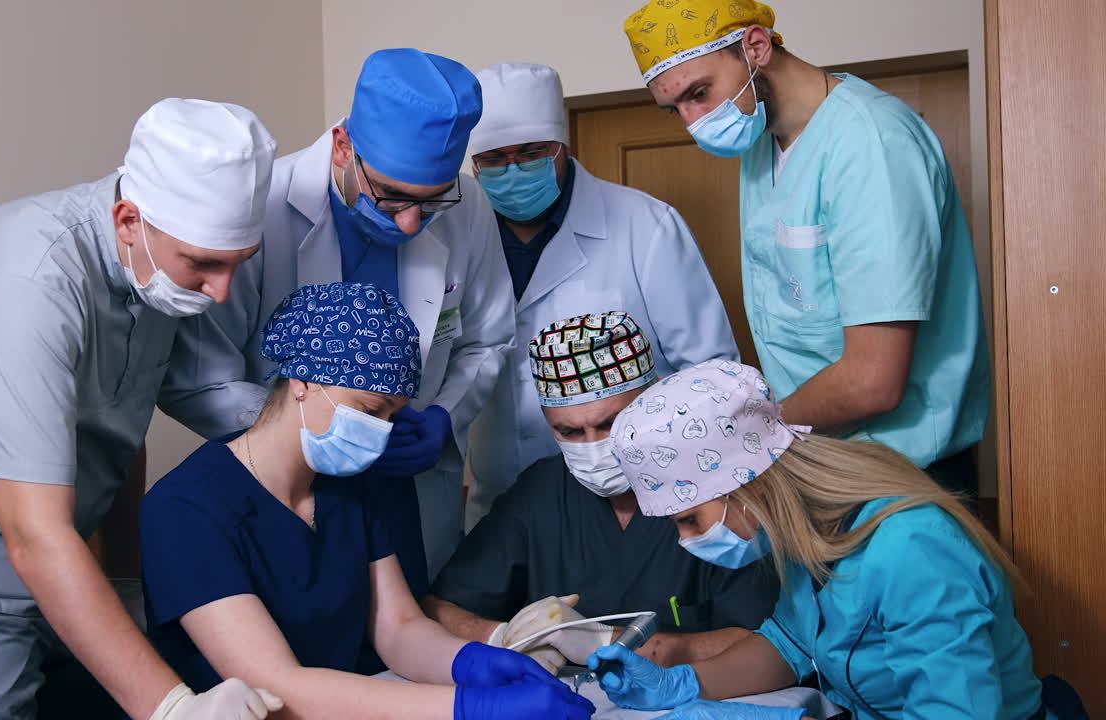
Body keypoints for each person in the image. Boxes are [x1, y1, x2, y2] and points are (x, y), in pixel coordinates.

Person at [0, 99, 282, 719]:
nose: (222, 292)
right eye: (204, 264)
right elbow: (33, 536)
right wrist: (172, 709)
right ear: (129, 219)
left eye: (237, 264)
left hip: (52, 555)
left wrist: (126, 581)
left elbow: (117, 431)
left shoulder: (150, 270)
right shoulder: (23, 288)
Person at [139, 282, 594, 720]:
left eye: (393, 414)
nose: (381, 431)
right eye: (371, 410)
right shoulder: (185, 509)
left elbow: (399, 629)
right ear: (302, 380)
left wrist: (476, 663)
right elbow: (278, 685)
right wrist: (471, 709)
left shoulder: (352, 484)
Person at [160, 48, 515, 583]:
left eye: (432, 201)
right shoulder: (263, 208)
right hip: (286, 487)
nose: (412, 223)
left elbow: (487, 339)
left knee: (410, 612)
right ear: (343, 146)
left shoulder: (469, 208)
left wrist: (444, 417)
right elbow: (198, 378)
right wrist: (318, 430)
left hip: (412, 487)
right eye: (392, 196)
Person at [621, 0, 991, 494]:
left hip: (898, 474)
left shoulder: (871, 143)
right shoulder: (762, 144)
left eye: (700, 93)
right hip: (819, 455)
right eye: (676, 109)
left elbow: (873, 381)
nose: (693, 121)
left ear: (756, 47)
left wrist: (751, 439)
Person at [585, 361, 1045, 719]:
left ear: (747, 485)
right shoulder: (810, 534)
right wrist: (681, 683)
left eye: (688, 519)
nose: (686, 539)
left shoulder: (912, 550)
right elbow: (790, 646)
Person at [464, 62, 738, 526]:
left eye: (531, 152)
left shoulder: (645, 226)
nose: (512, 170)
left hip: (638, 494)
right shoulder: (462, 238)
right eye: (493, 158)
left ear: (562, 146)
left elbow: (710, 374)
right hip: (502, 498)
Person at [426, 312, 776, 674]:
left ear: (654, 397)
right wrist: (502, 639)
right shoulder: (540, 494)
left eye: (610, 423)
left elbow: (775, 643)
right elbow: (441, 608)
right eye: (570, 432)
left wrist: (615, 642)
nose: (594, 447)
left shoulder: (711, 480)